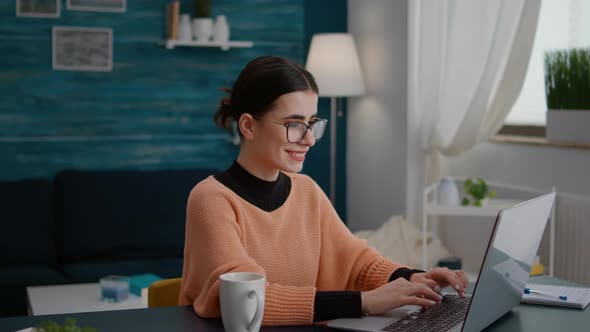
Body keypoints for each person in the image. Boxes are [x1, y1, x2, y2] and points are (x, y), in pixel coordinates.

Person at [178, 55, 468, 326]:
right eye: (294, 124)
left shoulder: (306, 190)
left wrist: (414, 277)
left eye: (312, 124)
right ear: (248, 126)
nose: (309, 140)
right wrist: (365, 302)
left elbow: (356, 262)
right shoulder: (212, 199)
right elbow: (246, 299)